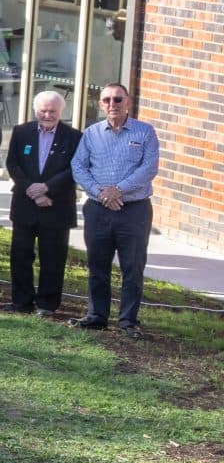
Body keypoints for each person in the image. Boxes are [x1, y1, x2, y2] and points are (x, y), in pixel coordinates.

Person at [69, 82, 156, 338]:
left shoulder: (145, 132)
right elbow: (78, 167)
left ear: (128, 102)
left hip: (134, 210)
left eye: (118, 99)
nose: (112, 104)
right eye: (106, 100)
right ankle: (97, 316)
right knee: (98, 265)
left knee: (132, 266)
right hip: (98, 209)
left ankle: (128, 321)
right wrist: (100, 193)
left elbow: (149, 168)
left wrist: (117, 190)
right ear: (100, 104)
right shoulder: (92, 133)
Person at [5, 91, 82, 317]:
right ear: (35, 110)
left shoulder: (74, 137)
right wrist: (31, 189)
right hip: (25, 204)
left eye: (53, 111)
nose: (47, 115)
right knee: (20, 255)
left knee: (53, 258)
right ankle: (21, 301)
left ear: (61, 112)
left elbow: (74, 169)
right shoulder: (21, 132)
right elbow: (12, 163)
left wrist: (47, 188)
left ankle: (47, 304)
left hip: (56, 206)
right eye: (43, 110)